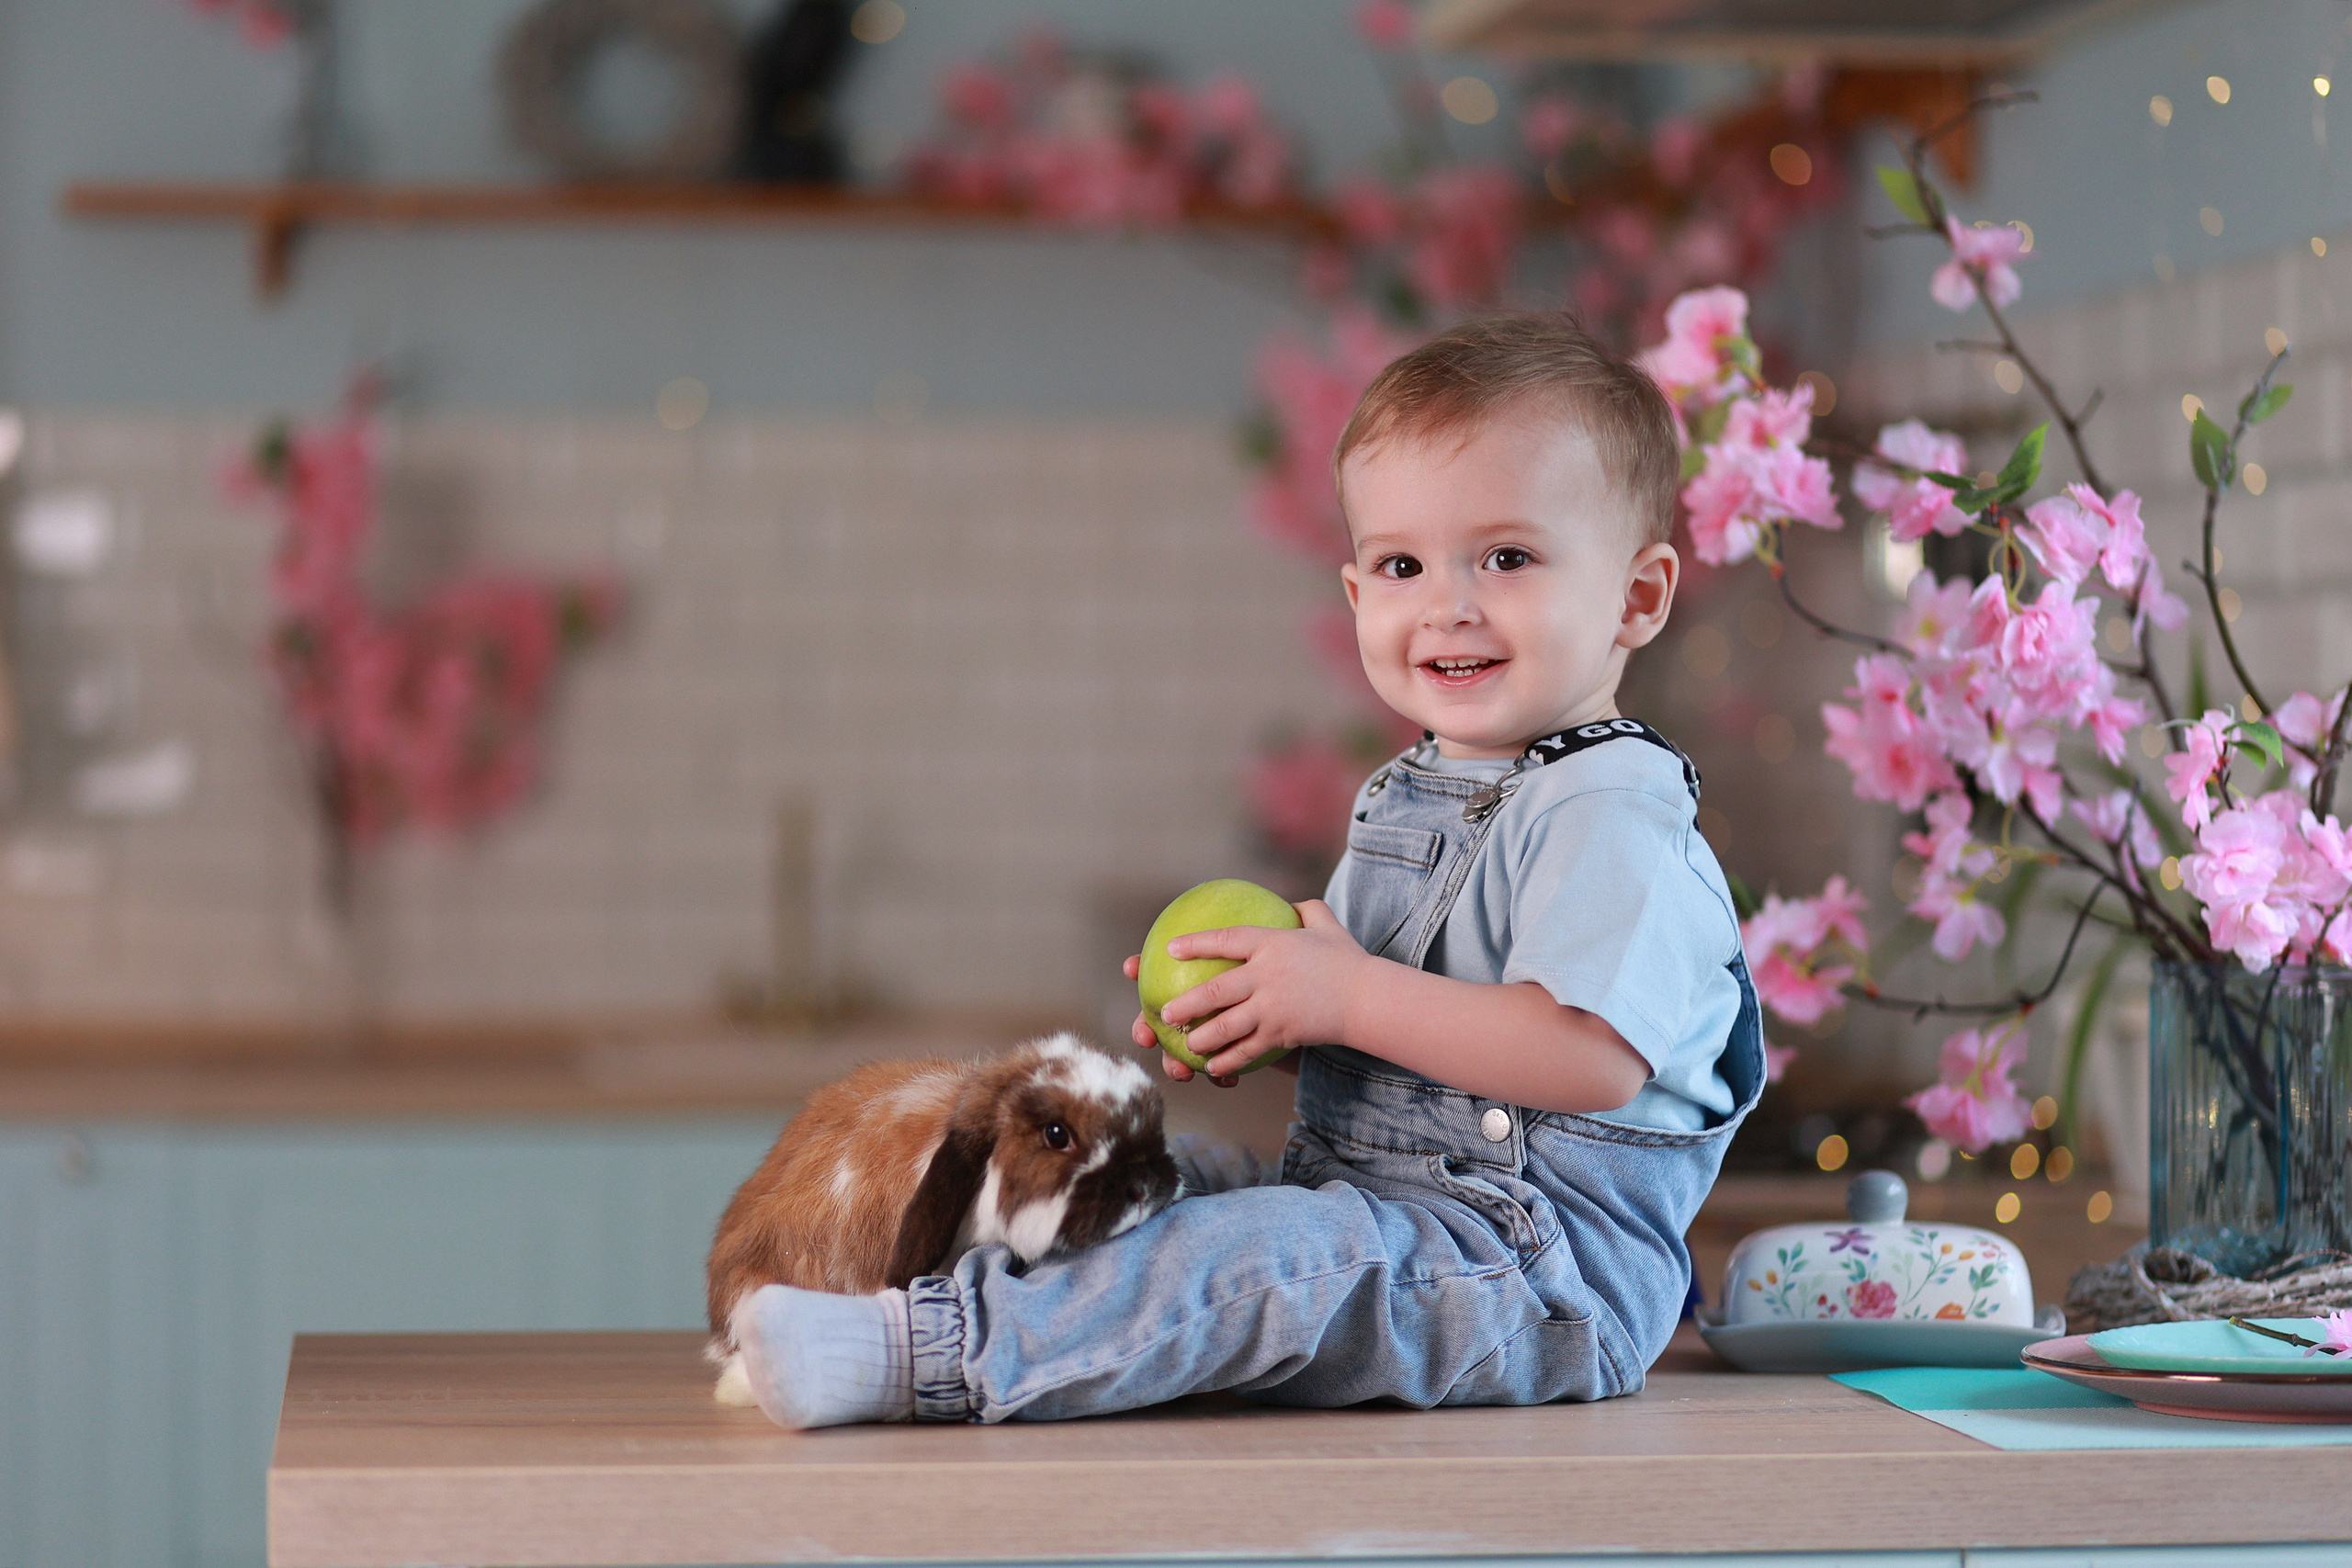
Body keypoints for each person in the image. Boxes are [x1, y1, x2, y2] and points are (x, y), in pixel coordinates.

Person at [729, 312, 1764, 1427]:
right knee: (1158, 1185)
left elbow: (1589, 1056)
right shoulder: (1413, 786)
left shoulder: (1610, 809)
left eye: (1507, 558)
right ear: (1357, 596)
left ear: (1637, 597)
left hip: (1532, 1278)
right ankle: (913, 1294)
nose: (1447, 604)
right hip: (1378, 1211)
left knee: (1258, 1252)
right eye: (1402, 564)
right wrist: (1271, 1013)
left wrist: (1347, 996)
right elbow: (1414, 1047)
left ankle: (929, 1354)